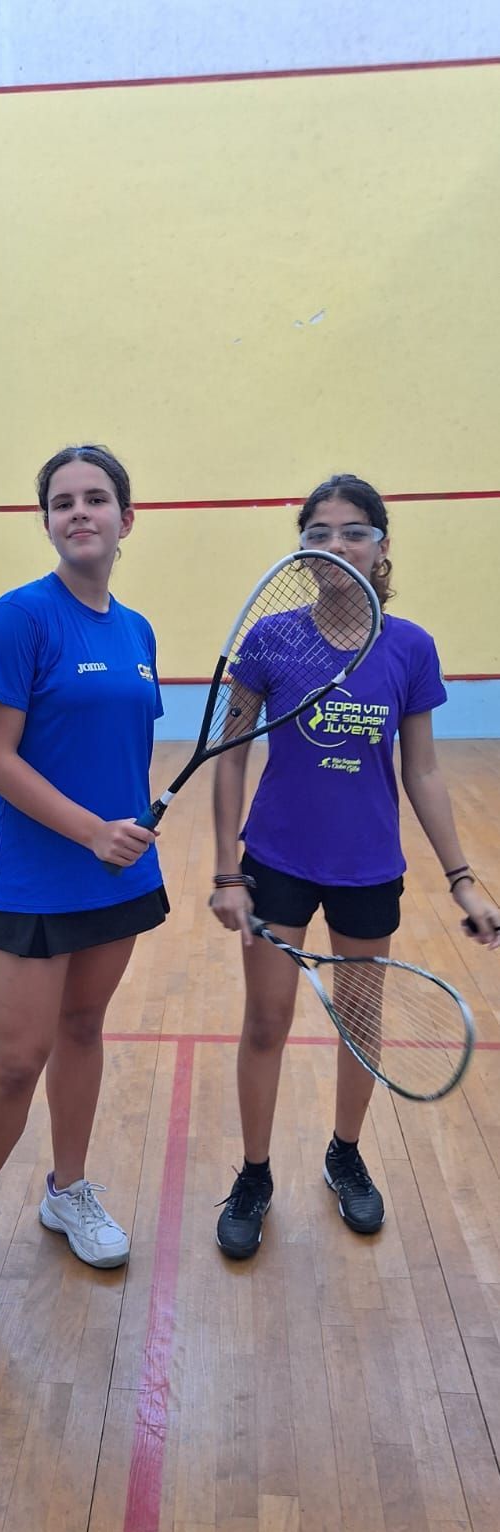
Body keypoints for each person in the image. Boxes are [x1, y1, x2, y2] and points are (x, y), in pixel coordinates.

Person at [210, 473, 500, 1260]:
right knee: (266, 1022)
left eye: (353, 532)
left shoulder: (410, 648)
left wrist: (461, 875)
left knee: (361, 1022)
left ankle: (345, 1154)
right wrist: (227, 869)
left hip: (369, 866)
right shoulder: (271, 640)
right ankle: (255, 1174)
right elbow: (231, 757)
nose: (335, 546)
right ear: (301, 551)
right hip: (276, 860)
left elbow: (425, 772)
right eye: (318, 534)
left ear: (381, 547)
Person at [0, 444, 168, 1322]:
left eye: (97, 498)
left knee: (85, 1027)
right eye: (63, 502)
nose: (80, 512)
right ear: (48, 521)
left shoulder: (135, 631)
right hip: (35, 877)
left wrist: (121, 835)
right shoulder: (17, 620)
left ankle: (68, 1191)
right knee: (19, 1057)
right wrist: (93, 831)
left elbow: (120, 746)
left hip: (118, 874)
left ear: (126, 519)